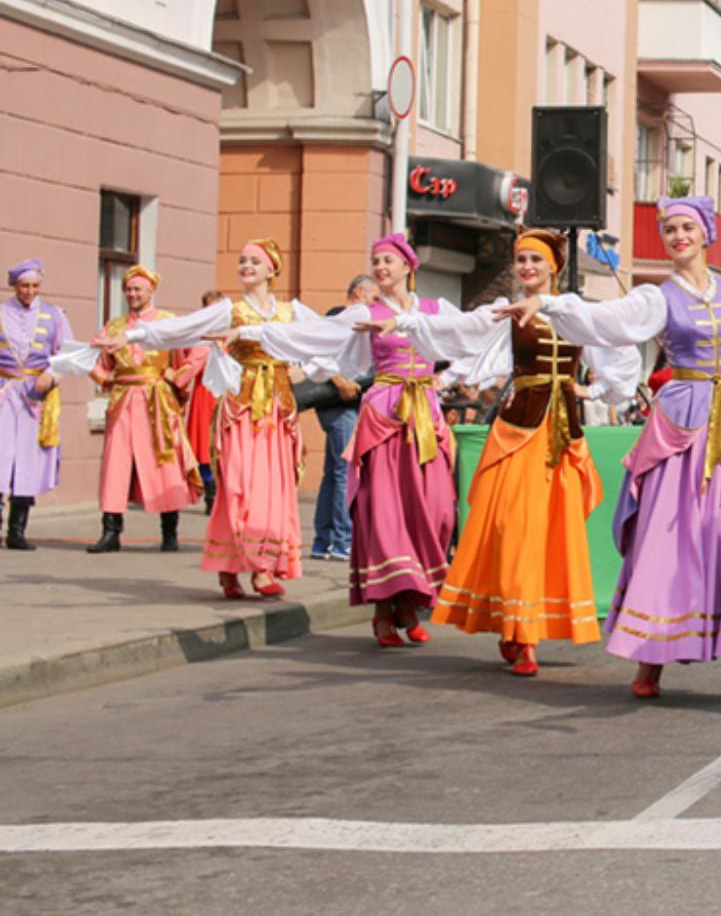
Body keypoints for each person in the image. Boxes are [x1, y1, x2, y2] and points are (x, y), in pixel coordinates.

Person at [523, 196, 721, 703]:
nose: (678, 236)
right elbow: (606, 321)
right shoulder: (658, 297)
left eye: (687, 227)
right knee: (667, 537)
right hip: (680, 421)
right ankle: (650, 656)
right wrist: (548, 303)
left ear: (706, 234)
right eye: (670, 229)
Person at [379, 229, 631, 677]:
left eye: (536, 259)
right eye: (521, 260)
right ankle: (518, 629)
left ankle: (526, 626)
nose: (527, 267)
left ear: (554, 266)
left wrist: (595, 390)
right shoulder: (506, 312)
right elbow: (460, 332)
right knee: (514, 529)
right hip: (518, 433)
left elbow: (617, 352)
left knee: (551, 532)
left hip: (563, 437)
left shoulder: (577, 312)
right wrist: (406, 325)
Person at [240, 236, 460, 647]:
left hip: (425, 416)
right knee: (384, 513)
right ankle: (387, 611)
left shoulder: (435, 310)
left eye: (387, 260)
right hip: (384, 413)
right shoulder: (364, 313)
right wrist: (255, 333)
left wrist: (445, 377)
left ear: (408, 266)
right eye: (375, 261)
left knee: (435, 511)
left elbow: (467, 337)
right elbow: (319, 337)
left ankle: (413, 600)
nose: (380, 267)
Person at [107, 240, 323, 599]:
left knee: (274, 487)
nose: (246, 266)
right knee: (239, 487)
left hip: (276, 410)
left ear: (272, 269)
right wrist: (135, 334)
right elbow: (183, 328)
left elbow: (325, 340)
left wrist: (310, 370)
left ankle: (261, 566)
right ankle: (234, 565)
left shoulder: (291, 311)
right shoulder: (229, 311)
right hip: (241, 408)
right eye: (242, 260)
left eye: (255, 261)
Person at [54, 265, 204, 553]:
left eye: (138, 289)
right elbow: (90, 356)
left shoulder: (167, 322)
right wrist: (104, 377)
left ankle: (169, 531)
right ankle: (111, 531)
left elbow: (198, 349)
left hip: (157, 400)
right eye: (129, 289)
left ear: (151, 291)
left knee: (164, 462)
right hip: (123, 401)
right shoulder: (114, 326)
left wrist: (178, 376)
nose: (133, 294)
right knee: (115, 464)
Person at [306, 274, 378, 562]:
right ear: (359, 293)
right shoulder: (338, 318)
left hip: (347, 403)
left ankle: (322, 540)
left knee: (333, 471)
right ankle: (341, 540)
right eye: (374, 299)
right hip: (337, 402)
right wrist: (339, 380)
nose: (376, 306)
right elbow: (316, 354)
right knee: (343, 471)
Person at [2, 259, 71, 550]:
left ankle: (17, 530)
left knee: (27, 463)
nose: (30, 291)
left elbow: (67, 353)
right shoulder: (2, 312)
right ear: (14, 286)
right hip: (5, 394)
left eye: (35, 286)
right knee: (1, 458)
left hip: (35, 399)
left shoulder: (54, 315)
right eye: (24, 286)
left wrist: (50, 375)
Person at [187, 289, 227, 516]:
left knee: (224, 446)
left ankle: (222, 492)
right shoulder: (199, 337)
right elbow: (189, 362)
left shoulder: (233, 333)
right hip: (205, 394)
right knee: (203, 445)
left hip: (225, 395)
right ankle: (210, 492)